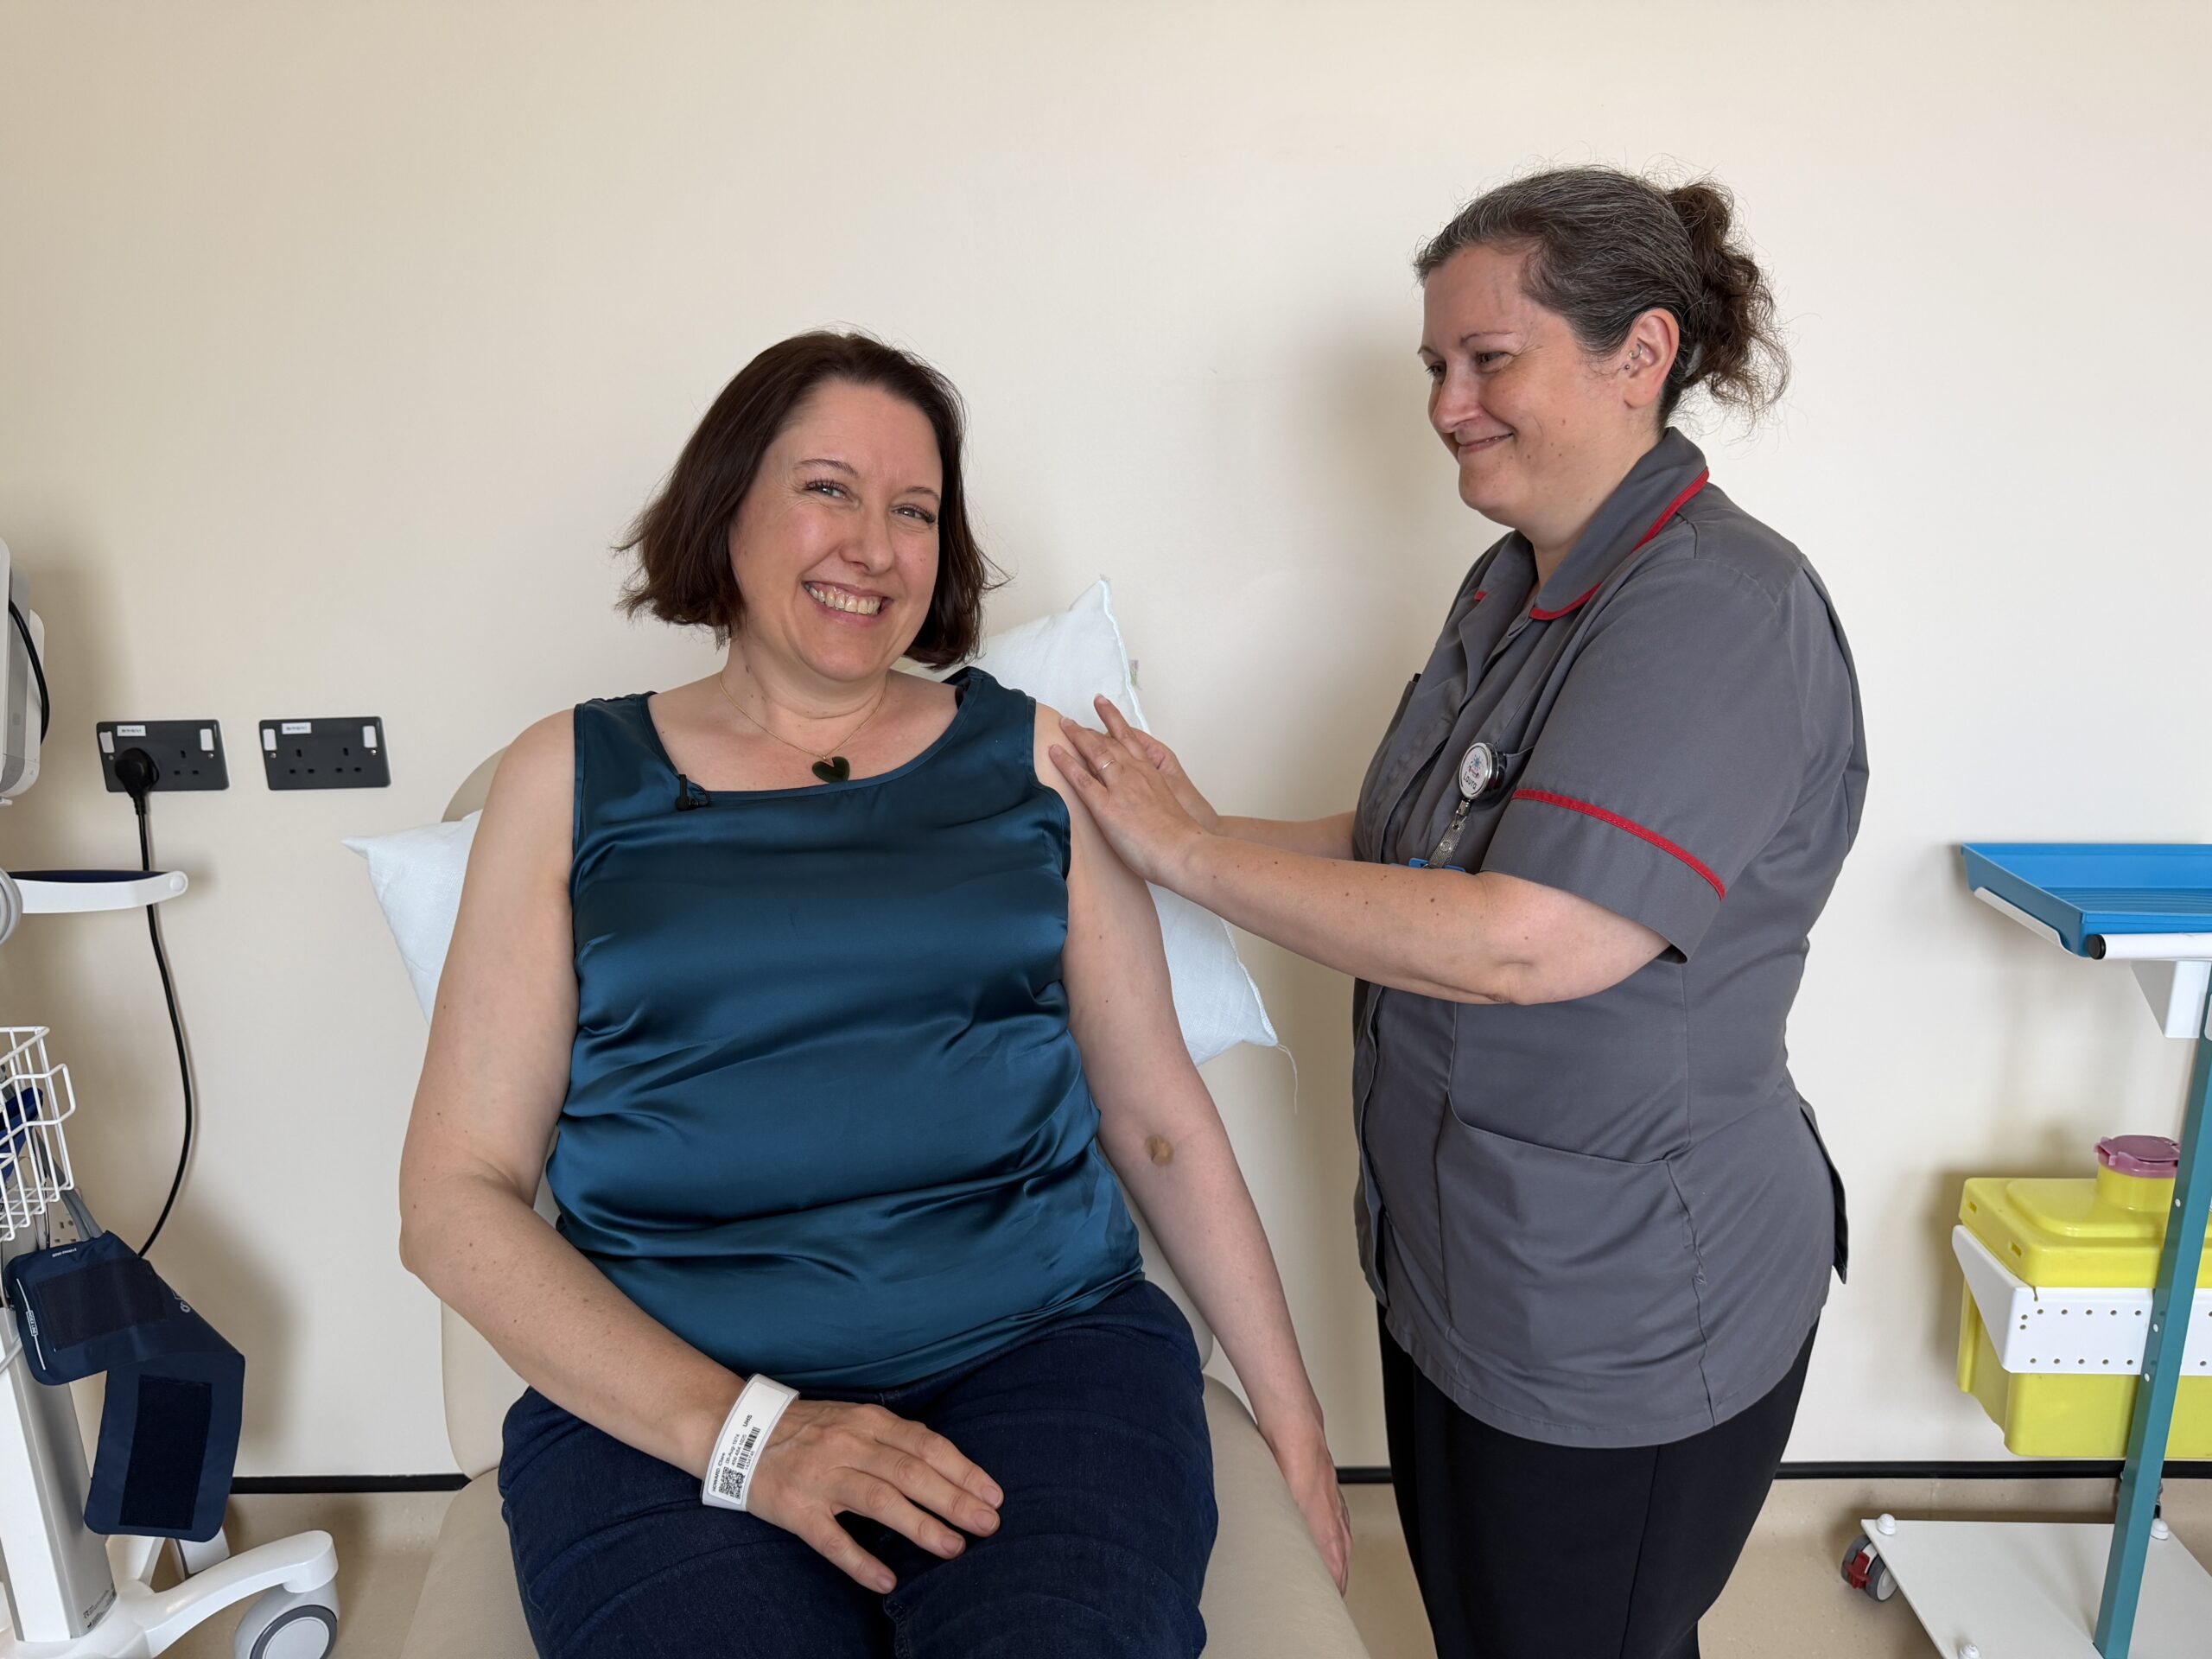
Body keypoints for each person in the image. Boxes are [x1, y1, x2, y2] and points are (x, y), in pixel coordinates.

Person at [398, 330, 1350, 1659]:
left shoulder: (1032, 759)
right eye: (829, 490)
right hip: (668, 1398)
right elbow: (453, 1200)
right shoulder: (565, 777)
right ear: (728, 506)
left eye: (915, 510)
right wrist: (753, 1439)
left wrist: (1297, 1425)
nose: (877, 545)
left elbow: (1157, 1121)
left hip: (1041, 1361)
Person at [1052, 167, 1866, 1659]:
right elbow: (1408, 846)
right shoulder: (1513, 587)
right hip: (1466, 1262)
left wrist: (1189, 862)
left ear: (1644, 355)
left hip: (1616, 1305)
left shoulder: (1716, 612)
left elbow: (1532, 935)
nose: (1446, 403)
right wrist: (1176, 825)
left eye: (1490, 358)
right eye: (1437, 365)